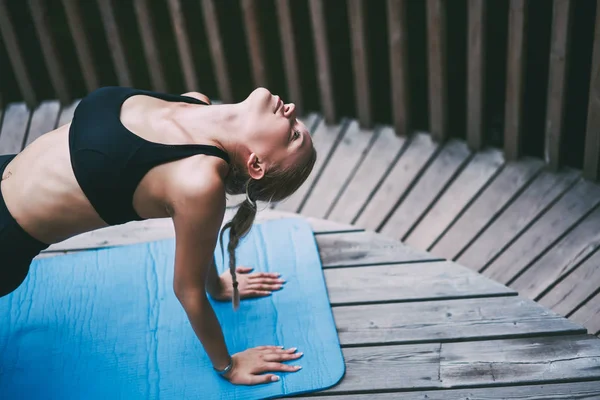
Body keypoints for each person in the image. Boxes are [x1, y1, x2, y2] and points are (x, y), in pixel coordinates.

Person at [0, 86, 317, 385]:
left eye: (292, 137)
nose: (290, 109)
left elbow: (186, 290)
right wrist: (218, 284)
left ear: (256, 164)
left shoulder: (199, 181)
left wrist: (229, 366)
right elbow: (197, 235)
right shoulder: (195, 101)